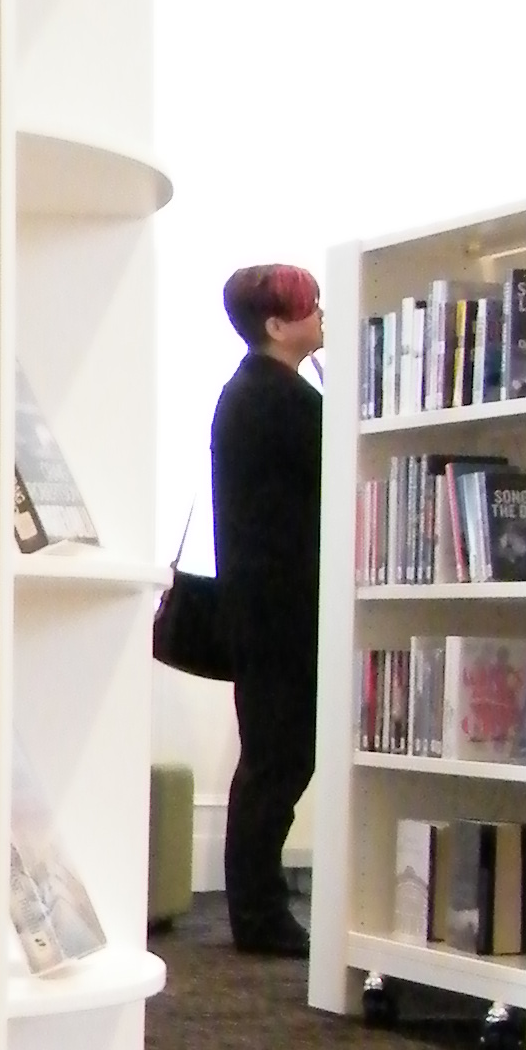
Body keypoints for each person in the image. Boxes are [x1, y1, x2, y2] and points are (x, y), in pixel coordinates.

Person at [211, 261, 325, 955]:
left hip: (259, 606)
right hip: (282, 609)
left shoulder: (247, 392)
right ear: (278, 325)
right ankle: (259, 914)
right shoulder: (282, 400)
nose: (322, 315)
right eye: (310, 306)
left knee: (268, 758)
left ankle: (255, 909)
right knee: (278, 760)